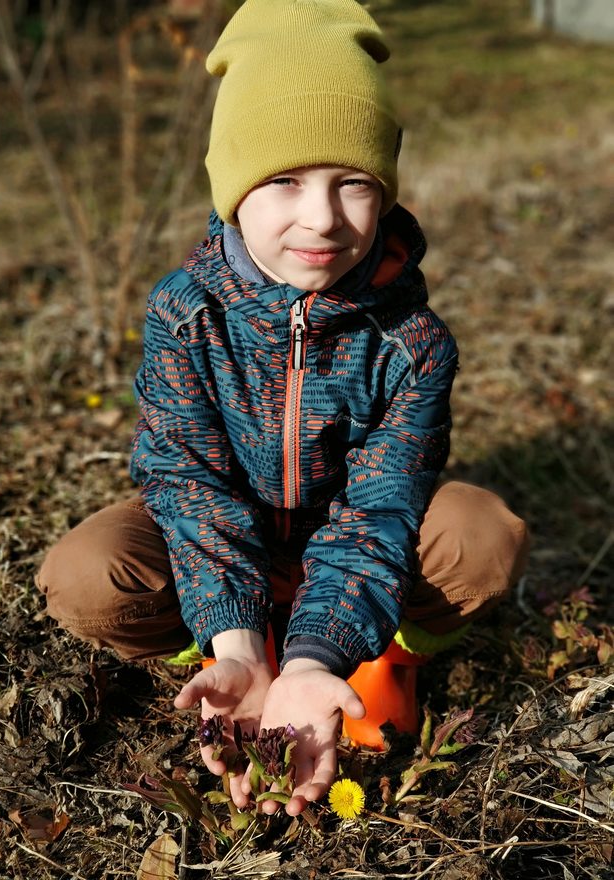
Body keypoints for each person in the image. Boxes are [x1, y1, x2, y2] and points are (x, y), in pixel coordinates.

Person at [36, 0, 529, 818]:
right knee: (85, 575)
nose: (322, 218)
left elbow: (380, 508)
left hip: (360, 557)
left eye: (355, 185)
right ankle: (228, 656)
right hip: (235, 553)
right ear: (232, 189)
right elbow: (187, 482)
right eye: (284, 181)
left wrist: (313, 657)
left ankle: (378, 658)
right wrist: (242, 641)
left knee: (480, 539)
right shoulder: (184, 312)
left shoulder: (414, 341)